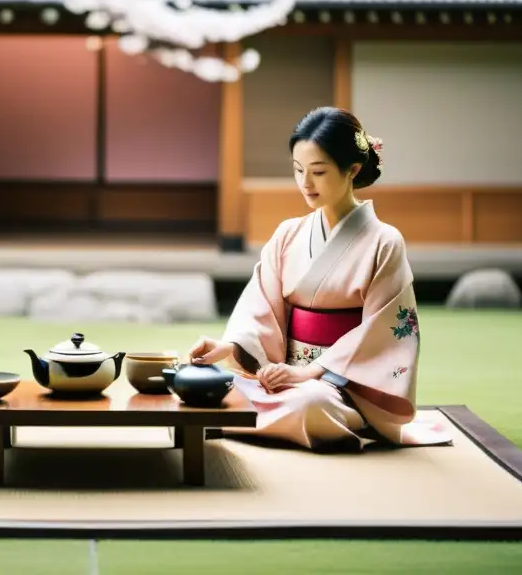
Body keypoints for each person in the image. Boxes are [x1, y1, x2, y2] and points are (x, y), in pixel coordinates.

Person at [188, 106, 451, 451]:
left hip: (339, 385)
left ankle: (251, 421)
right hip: (282, 375)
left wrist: (310, 374)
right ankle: (257, 417)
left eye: (318, 171)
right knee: (212, 384)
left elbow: (383, 335)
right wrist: (232, 347)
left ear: (352, 170)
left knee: (311, 404)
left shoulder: (385, 242)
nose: (305, 183)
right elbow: (261, 307)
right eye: (298, 170)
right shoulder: (288, 234)